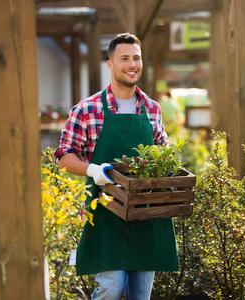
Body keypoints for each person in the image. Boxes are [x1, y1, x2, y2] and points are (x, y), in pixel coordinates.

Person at [54, 33, 179, 300]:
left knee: (140, 295)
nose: (132, 64)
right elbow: (64, 156)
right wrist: (93, 170)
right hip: (106, 214)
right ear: (110, 64)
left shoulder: (152, 109)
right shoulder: (87, 110)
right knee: (111, 289)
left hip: (145, 216)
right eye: (124, 59)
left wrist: (168, 170)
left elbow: (164, 150)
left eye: (136, 58)